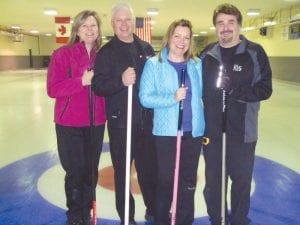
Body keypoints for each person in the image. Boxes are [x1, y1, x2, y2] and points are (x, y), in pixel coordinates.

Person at [199, 3, 272, 225]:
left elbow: (265, 89)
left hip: (242, 132)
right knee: (214, 182)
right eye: (220, 23)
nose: (226, 27)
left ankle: (239, 220)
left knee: (240, 181)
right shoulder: (207, 55)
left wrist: (235, 90)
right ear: (215, 27)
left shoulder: (254, 52)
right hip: (212, 131)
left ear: (239, 25)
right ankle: (216, 219)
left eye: (231, 22)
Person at [92, 3, 157, 225]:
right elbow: (98, 85)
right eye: (119, 20)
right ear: (112, 24)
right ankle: (127, 217)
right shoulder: (106, 53)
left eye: (127, 19)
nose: (123, 24)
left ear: (133, 22)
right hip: (122, 124)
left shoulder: (146, 48)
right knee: (122, 174)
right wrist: (120, 81)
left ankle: (153, 209)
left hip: (146, 122)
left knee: (149, 170)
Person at [139, 19, 205, 225]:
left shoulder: (196, 64)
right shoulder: (154, 64)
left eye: (186, 37)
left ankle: (185, 221)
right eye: (177, 36)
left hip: (192, 133)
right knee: (166, 181)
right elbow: (145, 98)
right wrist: (172, 98)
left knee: (187, 182)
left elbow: (200, 94)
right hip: (166, 133)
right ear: (169, 37)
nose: (182, 41)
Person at [47, 10, 106, 225]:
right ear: (77, 30)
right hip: (69, 123)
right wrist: (80, 81)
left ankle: (87, 210)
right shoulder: (63, 54)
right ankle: (75, 215)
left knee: (91, 171)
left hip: (96, 122)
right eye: (85, 26)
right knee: (75, 171)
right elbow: (52, 89)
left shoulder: (104, 55)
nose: (90, 30)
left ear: (99, 29)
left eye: (93, 25)